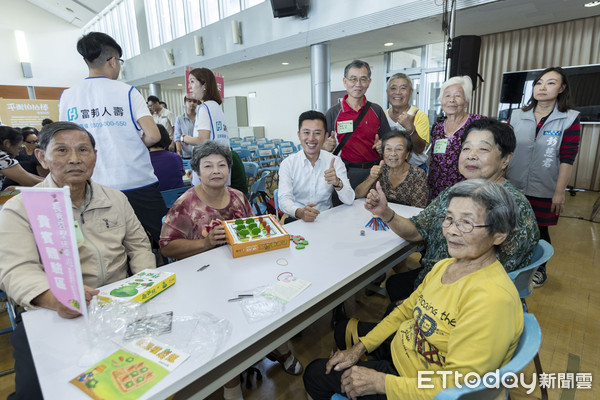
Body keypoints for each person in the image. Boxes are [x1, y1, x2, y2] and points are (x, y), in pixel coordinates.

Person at [304, 179, 524, 400]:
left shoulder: (492, 301)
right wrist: (359, 348)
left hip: (417, 385)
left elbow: (458, 387)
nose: (451, 232)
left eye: (466, 223)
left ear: (499, 234)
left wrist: (382, 382)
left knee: (315, 373)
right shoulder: (446, 266)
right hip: (409, 348)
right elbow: (406, 310)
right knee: (343, 331)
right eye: (449, 219)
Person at [0, 122, 155, 400]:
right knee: (36, 393)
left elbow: (139, 246)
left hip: (119, 305)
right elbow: (16, 270)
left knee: (150, 377)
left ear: (94, 156)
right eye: (62, 150)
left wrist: (143, 285)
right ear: (42, 158)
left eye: (83, 150)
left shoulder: (116, 199)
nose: (74, 158)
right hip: (51, 312)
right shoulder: (20, 208)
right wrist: (53, 298)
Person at [159, 141, 302, 400]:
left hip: (243, 270)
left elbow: (253, 231)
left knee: (272, 300)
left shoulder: (238, 196)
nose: (216, 170)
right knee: (226, 323)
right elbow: (167, 247)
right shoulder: (186, 204)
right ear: (197, 172)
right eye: (208, 166)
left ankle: (280, 347)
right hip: (204, 280)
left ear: (229, 169)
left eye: (222, 165)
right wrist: (203, 243)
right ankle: (230, 379)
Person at [381, 118, 539, 302]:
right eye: (466, 148)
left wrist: (420, 304)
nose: (471, 155)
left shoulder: (511, 207)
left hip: (460, 302)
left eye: (483, 149)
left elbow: (488, 286)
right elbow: (418, 229)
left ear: (505, 159)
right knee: (394, 285)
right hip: (432, 281)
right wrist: (385, 212)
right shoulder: (456, 191)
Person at [58, 32, 166, 245]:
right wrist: (131, 142)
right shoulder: (127, 92)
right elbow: (154, 135)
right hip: (136, 182)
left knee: (106, 248)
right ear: (112, 61)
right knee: (162, 241)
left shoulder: (68, 96)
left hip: (93, 186)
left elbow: (63, 143)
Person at [506, 67, 580, 287]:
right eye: (539, 83)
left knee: (539, 231)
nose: (543, 87)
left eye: (550, 83)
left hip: (545, 187)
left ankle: (539, 269)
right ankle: (513, 265)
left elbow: (567, 157)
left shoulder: (569, 119)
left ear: (562, 88)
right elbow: (506, 148)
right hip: (514, 184)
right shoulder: (518, 115)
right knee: (511, 227)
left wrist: (559, 192)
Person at [323, 60, 390, 188]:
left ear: (369, 82)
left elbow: (388, 140)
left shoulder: (376, 110)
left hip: (373, 173)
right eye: (353, 79)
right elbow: (321, 146)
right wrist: (324, 147)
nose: (358, 84)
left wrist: (383, 146)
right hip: (344, 173)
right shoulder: (333, 113)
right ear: (345, 81)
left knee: (372, 207)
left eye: (363, 79)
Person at [278, 110, 354, 222]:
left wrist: (338, 183)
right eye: (306, 132)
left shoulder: (335, 162)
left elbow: (349, 199)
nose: (311, 138)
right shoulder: (288, 164)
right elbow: (284, 199)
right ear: (299, 135)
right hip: (298, 218)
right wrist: (300, 212)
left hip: (327, 219)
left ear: (325, 136)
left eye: (317, 133)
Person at [428, 76, 485, 201]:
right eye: (447, 95)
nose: (451, 100)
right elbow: (434, 162)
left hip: (469, 191)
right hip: (439, 192)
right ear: (441, 100)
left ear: (466, 102)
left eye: (457, 96)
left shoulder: (478, 123)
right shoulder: (438, 128)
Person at [181, 68, 230, 186]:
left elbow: (202, 140)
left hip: (208, 168)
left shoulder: (204, 108)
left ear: (204, 85)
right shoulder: (216, 107)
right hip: (220, 167)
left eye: (192, 81)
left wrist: (183, 138)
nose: (189, 87)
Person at [354, 130, 427, 208]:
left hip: (404, 218)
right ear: (383, 152)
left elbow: (417, 209)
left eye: (399, 149)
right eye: (388, 149)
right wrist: (372, 178)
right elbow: (357, 194)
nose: (393, 154)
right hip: (381, 214)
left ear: (407, 154)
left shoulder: (418, 174)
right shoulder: (381, 169)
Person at [384, 73, 430, 168]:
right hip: (390, 168)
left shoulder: (419, 115)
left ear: (411, 92)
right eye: (393, 88)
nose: (398, 92)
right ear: (387, 92)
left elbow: (419, 149)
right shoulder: (383, 115)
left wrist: (411, 129)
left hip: (416, 169)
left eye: (403, 88)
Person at [0, 126, 43, 190]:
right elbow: (30, 181)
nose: (17, 154)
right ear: (7, 143)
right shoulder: (2, 158)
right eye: (18, 149)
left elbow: (27, 175)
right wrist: (57, 183)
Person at [148, 125, 185, 191]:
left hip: (156, 199)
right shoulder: (175, 157)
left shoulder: (143, 161)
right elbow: (182, 174)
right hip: (178, 198)